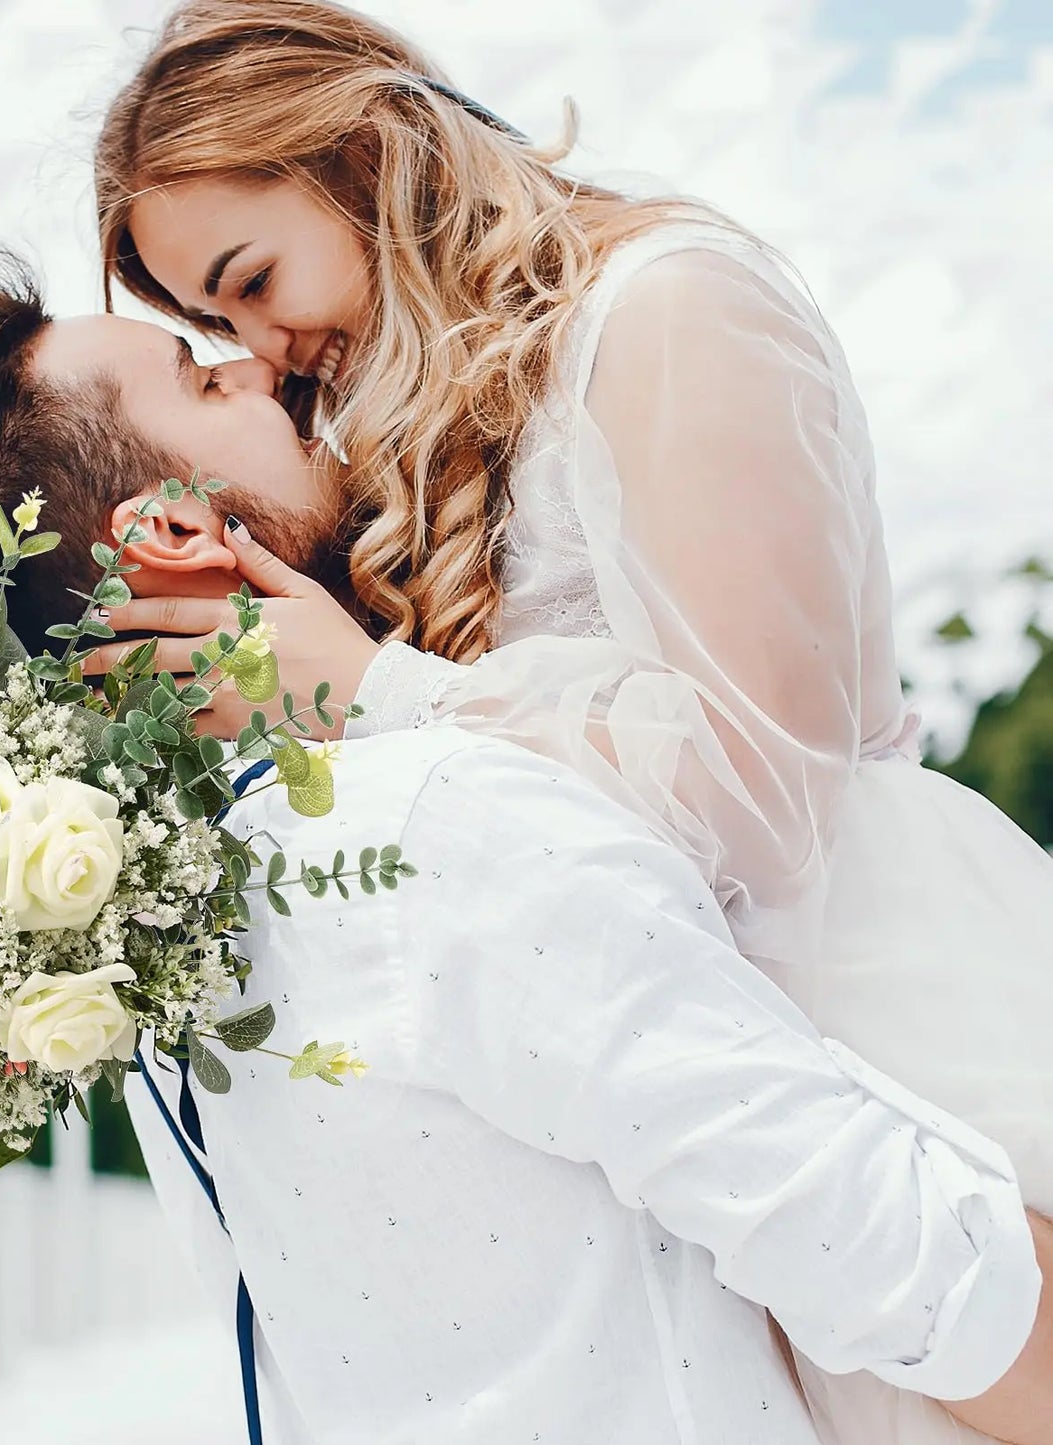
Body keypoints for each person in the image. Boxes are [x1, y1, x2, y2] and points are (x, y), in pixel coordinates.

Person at [0, 258, 1053, 1444]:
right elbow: (920, 1273)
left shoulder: (152, 944)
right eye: (203, 381)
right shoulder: (434, 823)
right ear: (165, 531)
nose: (263, 371)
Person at [92, 7, 1053, 1437]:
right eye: (213, 329)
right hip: (701, 1076)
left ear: (359, 152)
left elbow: (760, 785)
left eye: (251, 283)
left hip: (880, 1003)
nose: (262, 347)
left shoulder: (672, 305)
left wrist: (380, 696)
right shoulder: (423, 409)